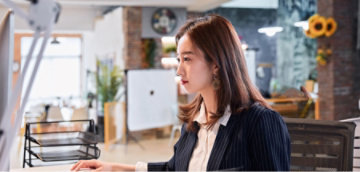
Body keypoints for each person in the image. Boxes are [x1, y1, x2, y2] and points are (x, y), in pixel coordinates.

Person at [71, 14, 290, 171]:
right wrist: (112, 168)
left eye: (187, 59)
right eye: (179, 59)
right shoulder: (195, 121)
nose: (179, 69)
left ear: (216, 63)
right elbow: (173, 169)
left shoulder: (260, 122)